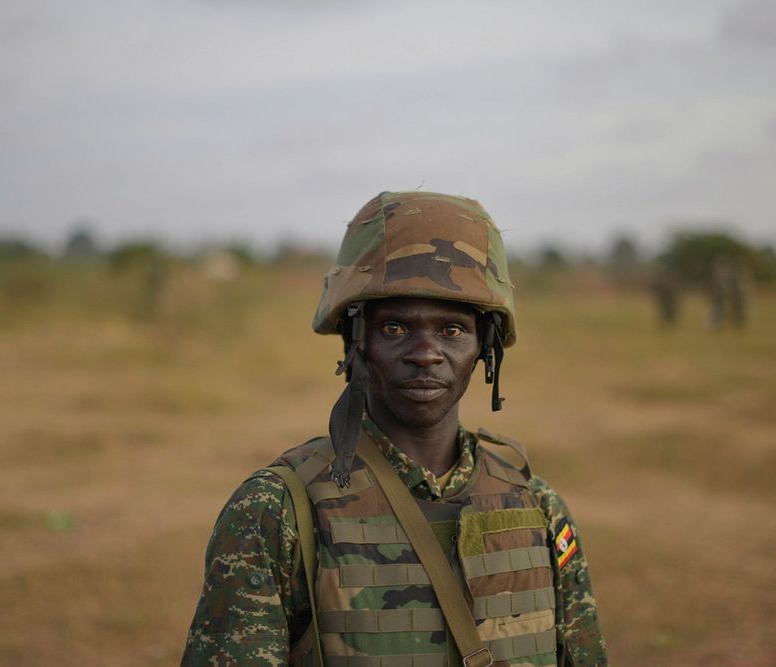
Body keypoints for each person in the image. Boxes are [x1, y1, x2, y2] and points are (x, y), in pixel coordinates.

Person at [180, 191, 607, 666]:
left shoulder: (538, 507)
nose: (425, 353)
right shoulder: (278, 511)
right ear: (355, 341)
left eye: (452, 330)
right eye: (395, 329)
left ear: (485, 347)